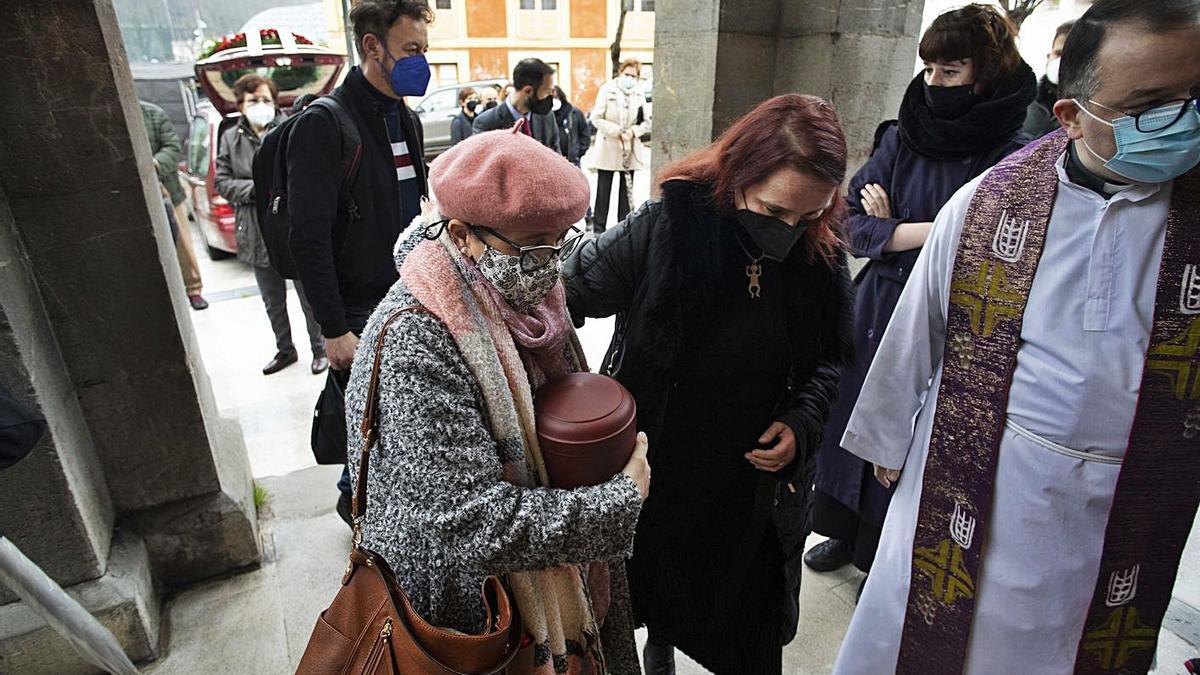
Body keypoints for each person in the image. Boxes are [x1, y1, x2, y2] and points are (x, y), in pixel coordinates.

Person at [833, 2, 1200, 673]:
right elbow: (918, 326)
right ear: (1073, 115)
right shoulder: (989, 203)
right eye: (1151, 105)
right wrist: (888, 439)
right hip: (986, 479)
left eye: (1195, 96)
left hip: (1128, 501)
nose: (1183, 120)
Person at [565, 94, 853, 675]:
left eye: (807, 216)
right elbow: (571, 288)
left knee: (749, 632)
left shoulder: (819, 250)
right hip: (661, 465)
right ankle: (661, 647)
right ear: (739, 172)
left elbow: (830, 360)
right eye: (774, 213)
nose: (789, 232)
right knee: (651, 591)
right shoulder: (671, 223)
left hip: (754, 490)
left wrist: (803, 422)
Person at [346, 126, 651, 674]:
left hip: (551, 568)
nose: (551, 262)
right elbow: (468, 522)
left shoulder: (532, 297)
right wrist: (616, 501)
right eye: (533, 245)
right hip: (474, 609)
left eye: (564, 239)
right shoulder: (417, 339)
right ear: (462, 234)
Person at [805, 4, 1035, 596]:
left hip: (954, 314)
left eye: (951, 71)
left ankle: (889, 551)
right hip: (878, 307)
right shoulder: (902, 133)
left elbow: (993, 242)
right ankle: (844, 531)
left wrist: (905, 229)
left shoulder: (1018, 151)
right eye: (928, 68)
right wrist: (933, 230)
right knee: (854, 418)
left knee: (916, 437)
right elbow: (851, 224)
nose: (934, 83)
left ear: (986, 71)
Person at [285, 0, 430, 524]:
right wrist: (333, 328)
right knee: (369, 423)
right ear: (373, 47)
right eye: (411, 49)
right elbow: (308, 238)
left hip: (404, 292)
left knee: (397, 418)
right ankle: (358, 506)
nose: (421, 61)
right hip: (356, 305)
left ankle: (376, 501)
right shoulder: (326, 125)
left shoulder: (405, 119)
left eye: (424, 50)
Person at [215, 74, 328, 376]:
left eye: (265, 99)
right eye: (253, 100)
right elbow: (223, 181)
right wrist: (258, 189)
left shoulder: (291, 129)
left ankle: (320, 349)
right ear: (240, 104)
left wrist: (274, 190)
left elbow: (303, 174)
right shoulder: (230, 138)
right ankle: (285, 349)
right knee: (272, 299)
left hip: (290, 228)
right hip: (254, 229)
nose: (260, 105)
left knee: (309, 294)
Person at [140, 101, 208, 310]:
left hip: (166, 189)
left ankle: (193, 289)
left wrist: (153, 164)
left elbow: (172, 146)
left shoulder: (152, 113)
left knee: (182, 244)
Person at [586, 58, 650, 235]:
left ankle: (623, 230)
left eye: (633, 76)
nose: (629, 78)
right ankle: (599, 230)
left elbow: (646, 122)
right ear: (620, 73)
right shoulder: (607, 90)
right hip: (609, 146)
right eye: (627, 74)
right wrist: (617, 131)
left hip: (629, 148)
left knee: (626, 192)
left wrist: (633, 132)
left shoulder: (639, 93)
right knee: (603, 190)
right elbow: (596, 118)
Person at [472, 59, 559, 149]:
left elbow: (557, 158)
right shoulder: (486, 123)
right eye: (547, 92)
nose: (551, 96)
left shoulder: (547, 117)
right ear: (528, 91)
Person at [1024, 19, 1076, 138]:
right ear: (1049, 56)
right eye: (1058, 53)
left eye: (1070, 55)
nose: (1061, 61)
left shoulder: (1088, 108)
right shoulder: (1027, 99)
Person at [552, 86, 591, 166]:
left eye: (556, 97)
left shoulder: (574, 113)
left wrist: (578, 152)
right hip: (553, 161)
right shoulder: (545, 116)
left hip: (572, 161)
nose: (554, 100)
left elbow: (585, 135)